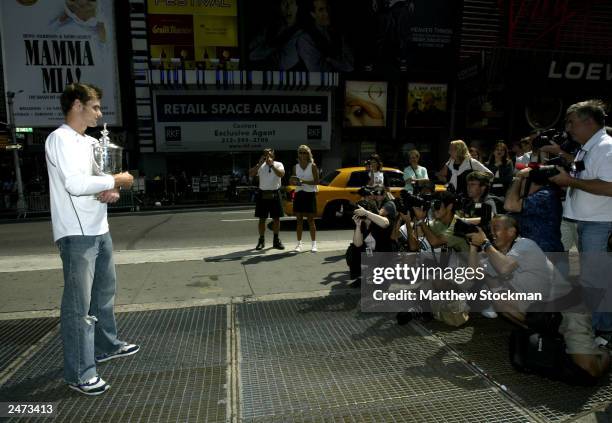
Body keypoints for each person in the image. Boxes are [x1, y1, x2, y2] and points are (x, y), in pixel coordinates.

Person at [44, 83, 138, 396]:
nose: (99, 112)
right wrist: (116, 180)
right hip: (76, 233)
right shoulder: (60, 139)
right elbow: (73, 183)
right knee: (78, 307)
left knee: (103, 294)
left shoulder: (87, 142)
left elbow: (90, 182)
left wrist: (106, 190)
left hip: (98, 228)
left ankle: (106, 346)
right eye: (95, 106)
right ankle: (79, 373)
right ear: (76, 105)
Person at [467, 215, 609, 380]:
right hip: (545, 315)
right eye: (489, 229)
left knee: (589, 370)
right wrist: (472, 246)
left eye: (496, 228)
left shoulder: (525, 244)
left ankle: (605, 349)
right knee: (499, 300)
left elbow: (506, 267)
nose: (491, 233)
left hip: (568, 311)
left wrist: (484, 243)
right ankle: (550, 337)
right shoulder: (494, 255)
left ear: (512, 232)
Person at [548, 100, 612, 334]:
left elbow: (610, 187)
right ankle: (596, 329)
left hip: (599, 223)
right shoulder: (589, 147)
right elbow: (583, 173)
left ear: (589, 122)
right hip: (585, 221)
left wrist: (570, 181)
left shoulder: (606, 147)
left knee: (597, 279)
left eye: (572, 122)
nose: (568, 128)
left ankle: (599, 332)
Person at [297, 0, 354, 72]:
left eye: (328, 8)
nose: (327, 13)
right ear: (313, 14)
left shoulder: (339, 35)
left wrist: (329, 60)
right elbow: (318, 70)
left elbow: (350, 66)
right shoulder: (305, 39)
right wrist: (338, 63)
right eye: (321, 10)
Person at [249, 0, 304, 70]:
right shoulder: (271, 26)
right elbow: (252, 45)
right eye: (284, 3)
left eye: (291, 2)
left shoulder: (300, 36)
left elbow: (280, 64)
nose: (288, 7)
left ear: (297, 7)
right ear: (278, 7)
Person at [249, 148, 286, 250]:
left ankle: (276, 240)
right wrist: (259, 164)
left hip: (275, 193)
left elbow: (281, 174)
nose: (267, 156)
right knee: (262, 219)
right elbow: (251, 174)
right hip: (263, 194)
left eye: (269, 154)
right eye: (265, 154)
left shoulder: (278, 164)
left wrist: (271, 165)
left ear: (273, 155)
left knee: (276, 219)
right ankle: (261, 240)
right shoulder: (260, 165)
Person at [290, 145, 319, 252]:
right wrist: (293, 181)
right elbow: (293, 179)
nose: (302, 155)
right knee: (299, 221)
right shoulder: (295, 167)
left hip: (310, 194)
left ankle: (314, 244)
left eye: (304, 152)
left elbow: (317, 181)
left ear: (308, 154)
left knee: (311, 220)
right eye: (300, 152)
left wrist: (303, 182)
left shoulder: (313, 166)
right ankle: (299, 244)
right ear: (298, 154)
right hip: (299, 194)